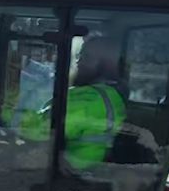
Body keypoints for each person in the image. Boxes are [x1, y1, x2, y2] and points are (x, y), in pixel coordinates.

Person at [19, 35, 127, 170]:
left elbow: (39, 129)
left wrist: (6, 111)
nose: (79, 63)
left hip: (71, 172)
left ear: (107, 64)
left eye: (86, 57)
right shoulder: (110, 94)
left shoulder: (90, 99)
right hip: (81, 167)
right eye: (79, 56)